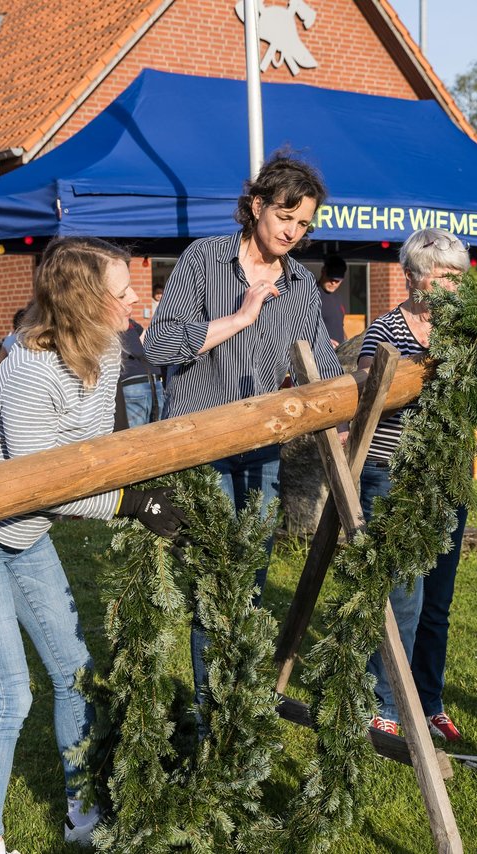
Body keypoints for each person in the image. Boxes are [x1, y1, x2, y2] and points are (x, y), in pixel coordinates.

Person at [0, 237, 187, 853]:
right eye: (122, 293)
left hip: (27, 536)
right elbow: (42, 488)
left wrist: (145, 485)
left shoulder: (107, 354)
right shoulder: (27, 372)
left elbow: (88, 463)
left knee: (75, 675)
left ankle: (81, 814)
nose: (136, 300)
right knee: (11, 695)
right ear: (84, 300)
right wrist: (131, 504)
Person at [143, 152, 342, 708]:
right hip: (202, 445)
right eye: (286, 216)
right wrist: (238, 318)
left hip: (261, 451)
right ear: (257, 205)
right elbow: (157, 345)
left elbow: (316, 367)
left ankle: (240, 701)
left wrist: (348, 407)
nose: (293, 232)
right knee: (215, 578)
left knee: (251, 575)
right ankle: (214, 713)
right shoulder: (205, 260)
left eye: (304, 224)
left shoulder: (301, 284)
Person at [357, 228, 469, 742]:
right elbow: (370, 385)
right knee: (403, 595)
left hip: (446, 478)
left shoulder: (466, 333)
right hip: (392, 476)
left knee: (437, 600)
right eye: (444, 277)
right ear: (413, 278)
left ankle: (428, 699)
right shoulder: (386, 330)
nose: (453, 287)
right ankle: (385, 701)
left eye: (459, 276)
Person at [115, 318, 164, 429]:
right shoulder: (128, 322)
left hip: (137, 381)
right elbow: (149, 343)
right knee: (158, 432)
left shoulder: (122, 322)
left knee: (136, 436)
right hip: (152, 379)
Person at [316, 254, 348, 346]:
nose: (333, 283)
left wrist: (347, 343)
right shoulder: (311, 295)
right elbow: (300, 326)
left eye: (337, 280)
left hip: (339, 354)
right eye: (331, 278)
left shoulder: (338, 297)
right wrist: (323, 341)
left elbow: (339, 326)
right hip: (318, 353)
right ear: (323, 272)